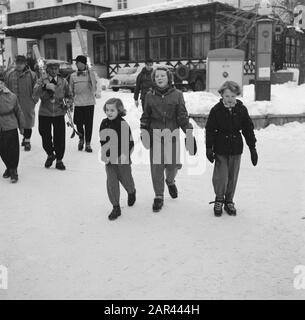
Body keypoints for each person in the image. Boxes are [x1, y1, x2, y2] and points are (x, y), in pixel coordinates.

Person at [140, 66, 197, 213]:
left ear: (169, 78)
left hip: (172, 136)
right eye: (157, 76)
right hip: (155, 135)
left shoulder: (177, 95)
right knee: (157, 167)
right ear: (154, 79)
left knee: (173, 166)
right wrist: (144, 131)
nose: (159, 78)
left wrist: (189, 134)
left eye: (162, 76)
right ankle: (159, 195)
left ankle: (170, 181)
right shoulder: (149, 96)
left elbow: (183, 117)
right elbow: (145, 116)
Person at [205, 81, 258, 217]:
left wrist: (252, 147)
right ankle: (219, 199)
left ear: (237, 96)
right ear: (222, 95)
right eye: (227, 96)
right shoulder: (216, 110)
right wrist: (209, 148)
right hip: (221, 147)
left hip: (236, 147)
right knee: (221, 176)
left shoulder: (241, 109)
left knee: (232, 176)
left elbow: (248, 129)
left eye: (233, 96)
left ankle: (229, 200)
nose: (230, 99)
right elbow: (210, 129)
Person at [99, 98, 136, 221]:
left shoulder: (123, 124)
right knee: (111, 182)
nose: (109, 112)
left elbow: (130, 143)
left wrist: (125, 155)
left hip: (123, 159)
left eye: (112, 110)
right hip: (110, 160)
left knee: (126, 179)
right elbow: (103, 141)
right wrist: (105, 156)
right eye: (107, 110)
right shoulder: (104, 123)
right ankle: (116, 206)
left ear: (119, 110)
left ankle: (131, 191)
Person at [33, 60, 73, 171]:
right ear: (47, 69)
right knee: (44, 135)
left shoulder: (63, 81)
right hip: (45, 112)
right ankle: (50, 154)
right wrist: (45, 87)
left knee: (59, 137)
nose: (54, 71)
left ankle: (59, 160)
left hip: (59, 112)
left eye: (56, 69)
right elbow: (34, 94)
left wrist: (68, 104)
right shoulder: (41, 81)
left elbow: (69, 95)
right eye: (52, 69)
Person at [5, 55, 38, 152]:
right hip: (13, 104)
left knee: (27, 122)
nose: (19, 65)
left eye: (21, 63)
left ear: (25, 64)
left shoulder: (32, 75)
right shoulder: (9, 74)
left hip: (27, 103)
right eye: (17, 63)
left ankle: (27, 141)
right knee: (14, 123)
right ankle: (20, 138)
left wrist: (34, 101)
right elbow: (5, 88)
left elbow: (37, 89)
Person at [70, 55, 100, 153]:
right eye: (77, 63)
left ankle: (88, 143)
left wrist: (97, 90)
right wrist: (69, 101)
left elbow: (96, 85)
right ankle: (81, 139)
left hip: (89, 103)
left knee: (88, 124)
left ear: (84, 64)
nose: (78, 64)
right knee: (78, 123)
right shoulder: (73, 76)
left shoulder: (91, 74)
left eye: (79, 62)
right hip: (78, 103)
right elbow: (70, 90)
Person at [0, 81, 25, 183]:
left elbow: (18, 111)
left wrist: (21, 126)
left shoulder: (12, 96)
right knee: (2, 150)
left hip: (10, 125)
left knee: (13, 150)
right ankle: (8, 167)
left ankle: (13, 170)